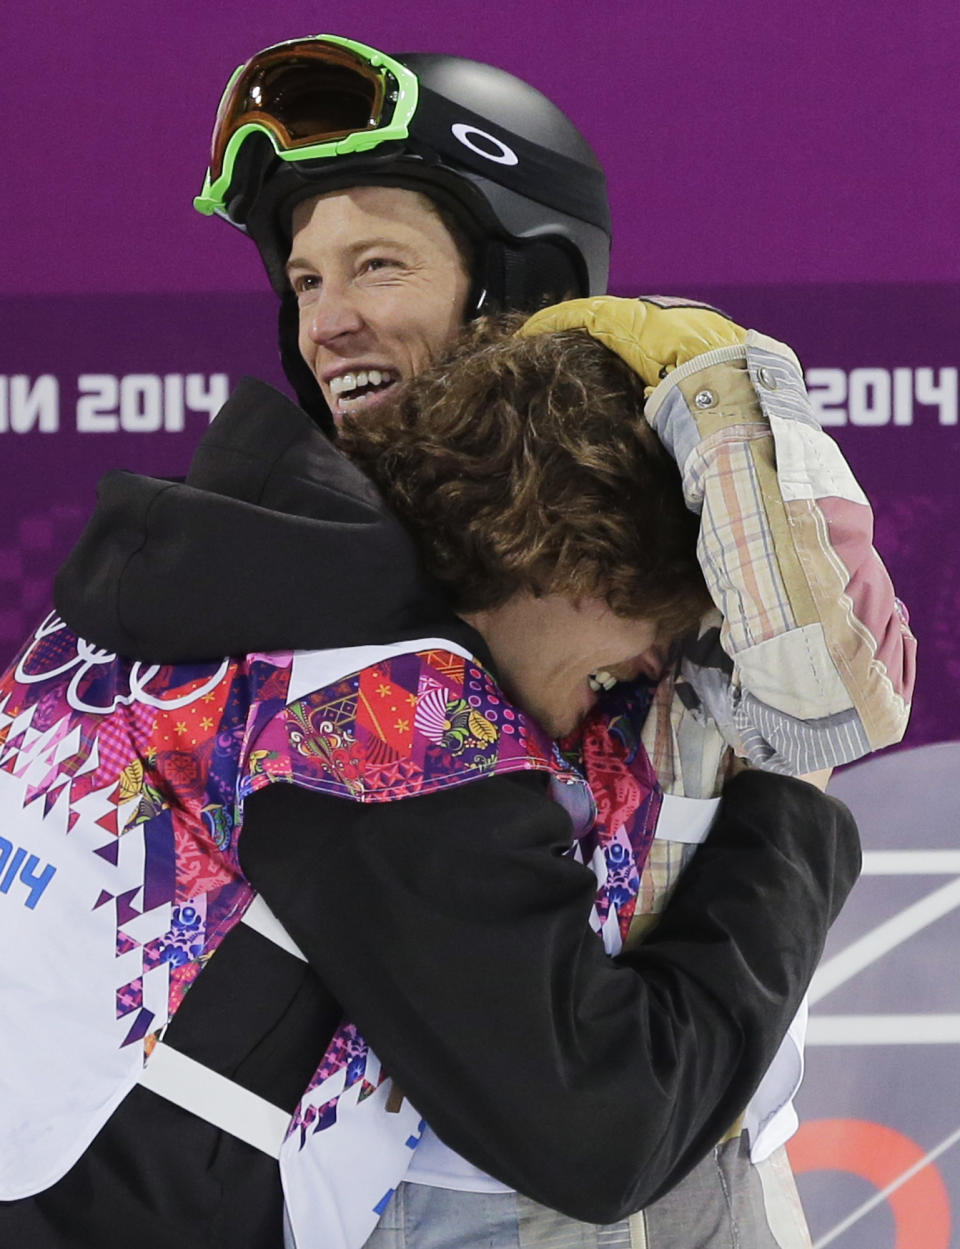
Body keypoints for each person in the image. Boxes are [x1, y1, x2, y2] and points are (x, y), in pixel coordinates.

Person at [27, 32, 914, 1248]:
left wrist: (725, 398)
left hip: (702, 1165)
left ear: (520, 280)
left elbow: (835, 695)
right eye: (306, 282)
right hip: (484, 1187)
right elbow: (593, 1110)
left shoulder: (686, 494)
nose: (329, 322)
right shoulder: (328, 613)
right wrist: (791, 809)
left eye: (376, 265)